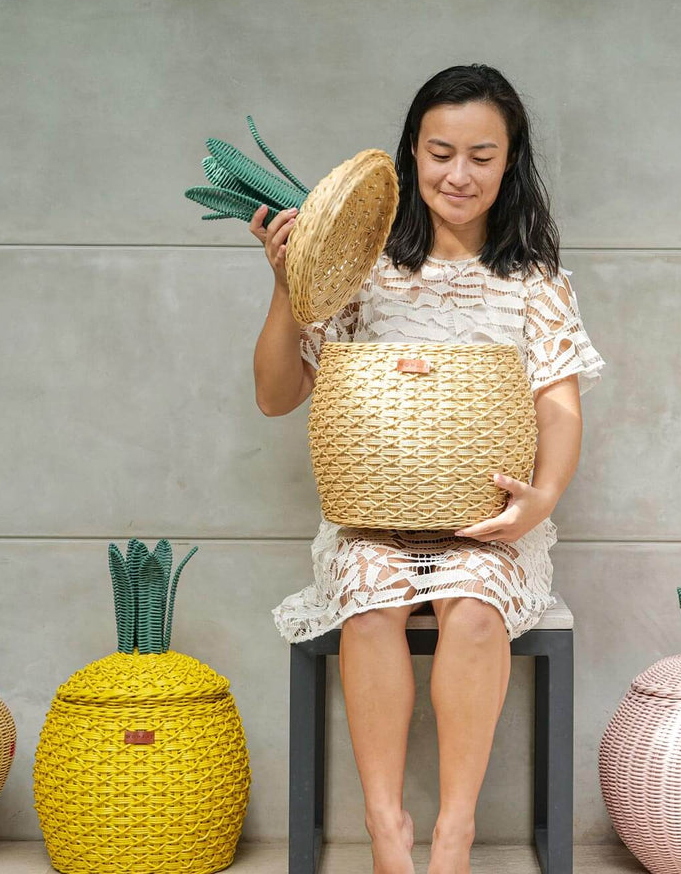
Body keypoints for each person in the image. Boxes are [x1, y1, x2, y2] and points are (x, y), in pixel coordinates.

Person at [253, 64, 606, 874]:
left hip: (491, 523)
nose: (458, 174)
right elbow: (277, 396)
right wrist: (285, 283)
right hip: (372, 515)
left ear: (510, 160)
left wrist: (538, 502)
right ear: (411, 154)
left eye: (481, 155)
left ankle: (455, 832)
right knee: (373, 605)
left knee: (473, 608)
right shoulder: (360, 267)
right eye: (440, 152)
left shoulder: (533, 282)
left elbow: (558, 408)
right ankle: (387, 831)